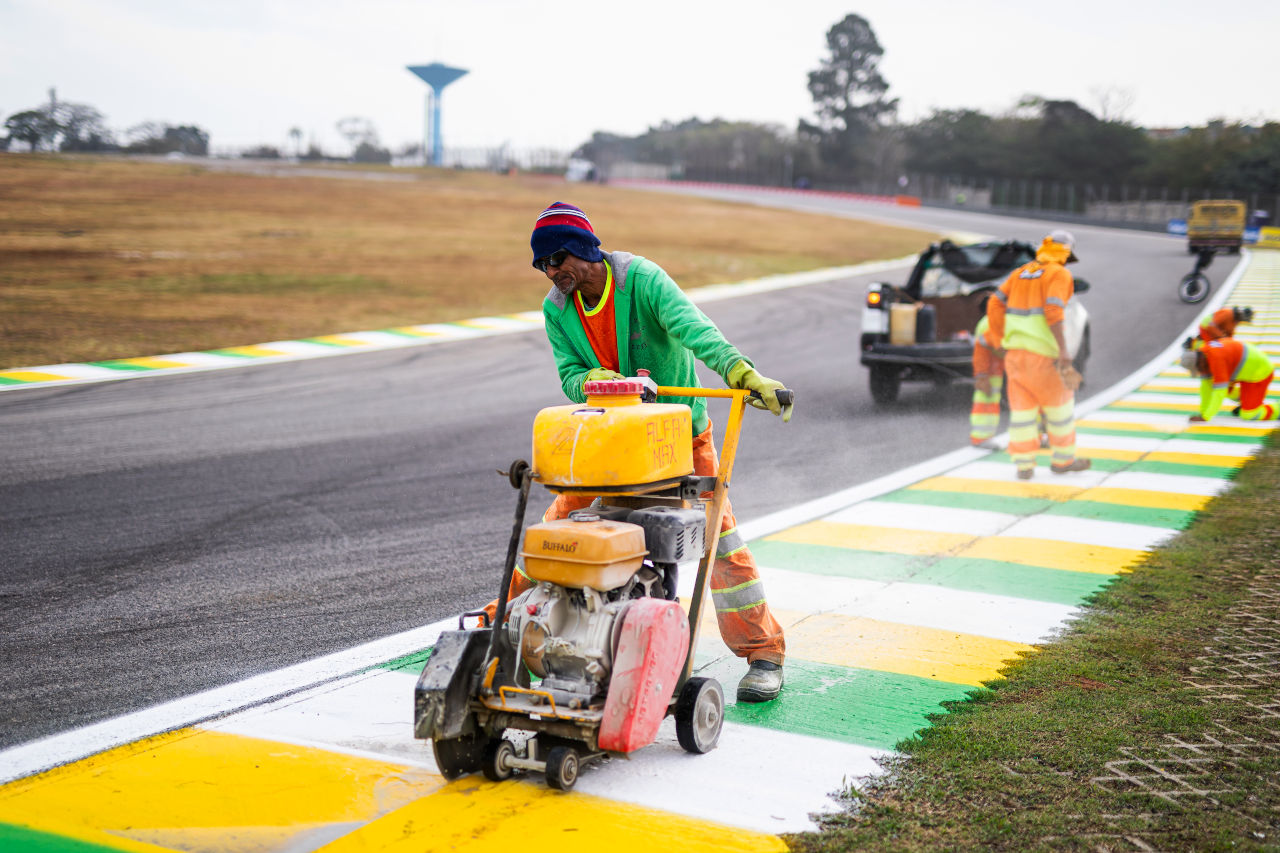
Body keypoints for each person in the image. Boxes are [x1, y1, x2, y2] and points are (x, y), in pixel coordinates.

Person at [516, 201, 793, 702]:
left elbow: (694, 329)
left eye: (557, 259)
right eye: (542, 265)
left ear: (584, 249)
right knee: (554, 530)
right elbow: (569, 375)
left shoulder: (641, 281)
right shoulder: (556, 308)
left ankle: (765, 652)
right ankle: (502, 631)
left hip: (680, 438)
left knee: (719, 544)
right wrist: (589, 380)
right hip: (613, 443)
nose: (551, 272)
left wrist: (741, 373)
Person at [985, 229, 1090, 480]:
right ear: (1066, 253)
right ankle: (1063, 460)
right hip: (1044, 356)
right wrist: (1064, 351)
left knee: (1022, 413)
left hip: (1015, 356)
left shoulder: (1021, 272)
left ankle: (1024, 465)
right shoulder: (1059, 274)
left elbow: (994, 303)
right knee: (1059, 409)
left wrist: (1000, 338)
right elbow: (1053, 311)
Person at [1182, 339, 1277, 422]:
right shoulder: (1203, 355)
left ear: (1200, 362)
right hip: (1246, 372)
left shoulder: (1216, 359)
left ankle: (1277, 409)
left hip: (1259, 372)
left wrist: (1206, 416)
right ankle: (1247, 402)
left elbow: (1220, 392)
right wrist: (1203, 413)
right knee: (1215, 385)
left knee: (1250, 415)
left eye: (1198, 369)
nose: (1199, 372)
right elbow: (1205, 388)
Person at [969, 315, 1003, 447]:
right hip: (989, 369)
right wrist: (982, 376)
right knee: (986, 400)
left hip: (993, 368)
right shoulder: (993, 323)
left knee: (989, 400)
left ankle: (982, 437)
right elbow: (982, 348)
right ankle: (981, 438)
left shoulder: (993, 319)